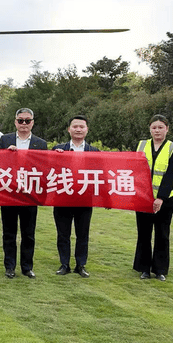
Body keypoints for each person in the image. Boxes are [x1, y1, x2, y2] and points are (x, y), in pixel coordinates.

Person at [0, 107, 48, 279]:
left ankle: (27, 267)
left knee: (28, 233)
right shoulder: (5, 140)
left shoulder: (41, 144)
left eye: (27, 120)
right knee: (9, 232)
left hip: (30, 194)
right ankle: (9, 266)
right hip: (9, 193)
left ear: (32, 123)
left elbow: (45, 168)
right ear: (15, 122)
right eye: (20, 120)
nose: (23, 124)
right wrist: (5, 154)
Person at [134, 114, 173, 282]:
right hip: (143, 199)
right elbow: (133, 169)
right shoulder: (141, 145)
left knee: (162, 234)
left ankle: (160, 269)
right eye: (154, 127)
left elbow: (171, 175)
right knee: (144, 234)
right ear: (150, 129)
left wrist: (160, 198)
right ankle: (144, 268)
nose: (157, 130)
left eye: (160, 127)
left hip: (165, 200)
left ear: (167, 129)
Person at [52, 115, 99, 278]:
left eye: (81, 127)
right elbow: (49, 171)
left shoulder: (95, 152)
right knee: (63, 234)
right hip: (62, 199)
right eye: (75, 126)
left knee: (83, 234)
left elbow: (102, 176)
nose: (78, 129)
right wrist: (55, 157)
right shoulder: (58, 149)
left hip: (84, 200)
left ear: (87, 130)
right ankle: (64, 264)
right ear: (69, 129)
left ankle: (81, 265)